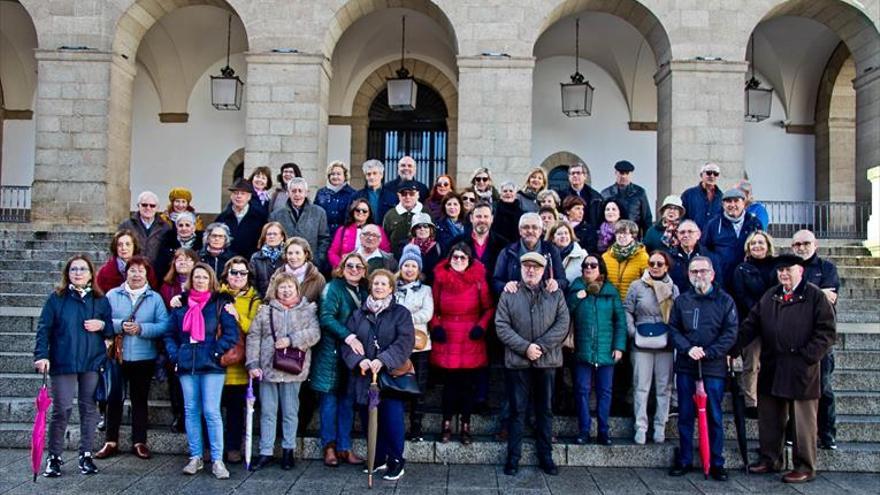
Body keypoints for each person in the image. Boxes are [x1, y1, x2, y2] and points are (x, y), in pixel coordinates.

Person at [737, 255, 836, 484]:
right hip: (773, 364)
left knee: (803, 423)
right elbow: (751, 324)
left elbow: (827, 332)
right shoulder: (770, 295)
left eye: (788, 270)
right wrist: (732, 347)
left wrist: (808, 356)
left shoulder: (814, 296)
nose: (783, 274)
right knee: (769, 417)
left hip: (802, 367)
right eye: (780, 271)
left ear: (800, 270)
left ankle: (805, 466)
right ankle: (770, 459)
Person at [35, 255, 114, 478]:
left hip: (91, 361)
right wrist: (41, 355)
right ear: (67, 274)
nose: (78, 273)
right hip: (64, 361)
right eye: (73, 270)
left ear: (91, 274)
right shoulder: (57, 299)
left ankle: (86, 454)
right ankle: (54, 457)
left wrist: (102, 325)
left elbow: (110, 329)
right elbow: (44, 329)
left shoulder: (100, 299)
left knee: (89, 409)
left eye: (83, 269)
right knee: (62, 409)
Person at [495, 252, 570, 476]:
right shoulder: (510, 293)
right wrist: (525, 347)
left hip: (547, 362)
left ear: (543, 270)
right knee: (517, 411)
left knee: (545, 410)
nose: (531, 270)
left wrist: (541, 347)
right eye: (526, 266)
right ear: (520, 268)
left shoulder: (554, 293)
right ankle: (513, 458)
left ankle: (546, 456)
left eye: (536, 268)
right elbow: (501, 325)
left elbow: (563, 323)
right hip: (518, 362)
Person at [164, 262, 239, 479]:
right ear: (190, 279)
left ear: (211, 280)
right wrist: (175, 354)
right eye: (196, 277)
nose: (200, 280)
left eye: (204, 277)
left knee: (211, 411)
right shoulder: (181, 304)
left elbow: (230, 334)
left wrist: (216, 352)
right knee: (191, 409)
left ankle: (217, 459)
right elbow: (169, 334)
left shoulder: (220, 302)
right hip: (187, 363)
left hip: (212, 365)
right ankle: (195, 456)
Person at [667, 256, 738, 481]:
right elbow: (673, 329)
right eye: (694, 271)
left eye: (703, 271)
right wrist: (688, 349)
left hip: (713, 367)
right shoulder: (682, 301)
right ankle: (685, 459)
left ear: (712, 274)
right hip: (687, 366)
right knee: (686, 415)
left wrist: (709, 352)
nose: (699, 275)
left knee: (714, 416)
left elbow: (730, 333)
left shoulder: (725, 301)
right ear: (689, 275)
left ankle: (716, 462)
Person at [341, 269, 415, 481]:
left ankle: (396, 459)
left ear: (391, 288)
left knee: (391, 419)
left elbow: (405, 342)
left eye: (384, 284)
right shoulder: (358, 314)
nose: (379, 287)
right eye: (376, 284)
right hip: (365, 377)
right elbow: (348, 345)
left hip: (389, 377)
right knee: (368, 418)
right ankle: (378, 456)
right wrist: (359, 361)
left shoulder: (400, 313)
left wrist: (383, 360)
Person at [97, 255, 170, 461]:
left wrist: (142, 329)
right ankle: (110, 441)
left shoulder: (154, 298)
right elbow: (103, 320)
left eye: (140, 271)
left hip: (144, 356)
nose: (136, 274)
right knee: (114, 398)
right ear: (126, 273)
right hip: (117, 357)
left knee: (140, 399)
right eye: (132, 270)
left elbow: (164, 325)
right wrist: (120, 325)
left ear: (147, 274)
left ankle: (139, 441)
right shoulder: (112, 294)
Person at [246, 272, 320, 471]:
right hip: (268, 368)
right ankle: (265, 452)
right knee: (268, 412)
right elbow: (254, 337)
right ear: (276, 290)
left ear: (297, 289)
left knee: (290, 411)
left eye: (290, 287)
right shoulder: (265, 310)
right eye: (282, 287)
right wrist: (253, 364)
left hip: (293, 368)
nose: (286, 290)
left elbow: (314, 334)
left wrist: (292, 340)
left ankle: (289, 450)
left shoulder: (307, 310)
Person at [430, 243, 494, 445]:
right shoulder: (441, 279)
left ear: (469, 260)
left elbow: (489, 308)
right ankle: (446, 424)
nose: (458, 261)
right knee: (449, 385)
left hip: (470, 336)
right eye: (455, 257)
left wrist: (481, 327)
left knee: (468, 386)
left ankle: (466, 425)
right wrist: (436, 326)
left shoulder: (478, 280)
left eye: (463, 258)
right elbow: (432, 306)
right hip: (448, 335)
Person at [312, 253, 369, 467]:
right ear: (342, 268)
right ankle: (329, 447)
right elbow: (326, 317)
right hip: (332, 353)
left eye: (359, 266)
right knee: (329, 402)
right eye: (350, 266)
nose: (354, 269)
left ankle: (345, 447)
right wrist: (349, 335)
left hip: (353, 356)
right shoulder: (333, 288)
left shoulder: (363, 291)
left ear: (364, 270)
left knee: (347, 402)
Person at [567, 254, 627, 445]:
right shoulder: (576, 288)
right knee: (582, 390)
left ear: (600, 268)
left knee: (605, 391)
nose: (589, 268)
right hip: (582, 349)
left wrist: (619, 346)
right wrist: (577, 297)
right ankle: (583, 430)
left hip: (606, 350)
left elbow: (620, 321)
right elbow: (564, 312)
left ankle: (603, 430)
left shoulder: (611, 292)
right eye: (586, 265)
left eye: (593, 265)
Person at [791, 229, 840, 450]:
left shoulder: (826, 268)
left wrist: (801, 295)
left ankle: (827, 434)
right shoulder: (789, 267)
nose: (801, 248)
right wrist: (816, 294)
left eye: (805, 243)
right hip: (794, 338)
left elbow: (830, 297)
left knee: (824, 388)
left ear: (815, 244)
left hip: (820, 340)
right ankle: (793, 433)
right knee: (794, 388)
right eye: (797, 244)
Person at [624, 250, 680, 445]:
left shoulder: (673, 288)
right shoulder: (637, 286)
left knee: (664, 388)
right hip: (641, 342)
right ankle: (640, 427)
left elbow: (677, 314)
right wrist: (632, 331)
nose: (655, 267)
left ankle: (660, 426)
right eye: (652, 263)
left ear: (666, 266)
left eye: (659, 264)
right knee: (641, 386)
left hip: (665, 343)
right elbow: (627, 310)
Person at [219, 256, 262, 465]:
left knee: (236, 411)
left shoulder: (254, 299)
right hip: (217, 361)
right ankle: (213, 447)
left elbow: (254, 328)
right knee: (214, 409)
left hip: (239, 363)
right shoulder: (216, 295)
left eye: (242, 273)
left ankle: (234, 448)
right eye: (233, 272)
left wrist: (237, 315)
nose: (237, 277)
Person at [731, 230, 778, 417]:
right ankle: (751, 402)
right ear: (748, 248)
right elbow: (740, 295)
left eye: (761, 242)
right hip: (751, 322)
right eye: (753, 244)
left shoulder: (777, 267)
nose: (757, 246)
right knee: (751, 364)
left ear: (768, 246)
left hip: (775, 322)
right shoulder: (741, 269)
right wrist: (759, 314)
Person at [394, 246, 435, 442]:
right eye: (406, 265)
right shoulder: (393, 289)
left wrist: (403, 316)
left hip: (420, 346)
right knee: (398, 385)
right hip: (398, 345)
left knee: (419, 387)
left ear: (419, 269)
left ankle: (416, 426)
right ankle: (397, 425)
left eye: (413, 266)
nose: (409, 269)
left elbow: (427, 314)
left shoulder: (426, 290)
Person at [158, 248, 199, 432]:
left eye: (187, 259)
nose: (183, 262)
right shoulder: (167, 286)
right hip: (175, 336)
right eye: (178, 259)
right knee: (175, 378)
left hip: (196, 338)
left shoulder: (200, 283)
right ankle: (178, 414)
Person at [701, 188, 762, 289]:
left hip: (748, 279)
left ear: (744, 203)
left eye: (736, 201)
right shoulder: (713, 224)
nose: (732, 205)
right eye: (728, 201)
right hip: (722, 280)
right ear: (723, 204)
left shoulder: (754, 223)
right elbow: (705, 248)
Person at [493, 213, 568, 295]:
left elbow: (563, 281)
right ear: (520, 231)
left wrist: (556, 284)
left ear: (540, 231)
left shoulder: (551, 250)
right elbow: (496, 282)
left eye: (534, 227)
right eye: (526, 227)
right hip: (516, 302)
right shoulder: (507, 252)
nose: (530, 231)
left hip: (544, 302)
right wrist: (505, 286)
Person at [269, 177, 331, 270]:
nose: (297, 194)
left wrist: (318, 259)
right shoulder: (276, 215)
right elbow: (272, 240)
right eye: (293, 191)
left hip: (312, 265)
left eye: (300, 191)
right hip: (285, 266)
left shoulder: (319, 212)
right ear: (288, 193)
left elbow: (324, 239)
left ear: (306, 193)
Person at [447, 201, 506, 286]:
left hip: (494, 295)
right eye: (478, 216)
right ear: (471, 218)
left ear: (492, 219)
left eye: (486, 217)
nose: (482, 220)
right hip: (465, 293)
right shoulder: (456, 243)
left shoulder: (502, 244)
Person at [327, 199, 392, 269]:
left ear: (369, 213)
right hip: (347, 271)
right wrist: (342, 266)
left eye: (364, 211)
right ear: (353, 211)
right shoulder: (342, 230)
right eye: (358, 210)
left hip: (372, 270)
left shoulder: (378, 230)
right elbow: (332, 252)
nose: (361, 212)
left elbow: (385, 251)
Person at [215, 178, 268, 259]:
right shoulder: (222, 218)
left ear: (249, 197)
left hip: (251, 260)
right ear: (231, 196)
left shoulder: (260, 217)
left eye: (243, 193)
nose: (239, 196)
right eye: (235, 193)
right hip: (227, 260)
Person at [119, 191, 172, 269]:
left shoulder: (165, 227)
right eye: (144, 205)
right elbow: (117, 247)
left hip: (155, 272)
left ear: (157, 208)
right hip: (132, 270)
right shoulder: (126, 225)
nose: (148, 208)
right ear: (138, 206)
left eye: (152, 206)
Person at [602, 219, 649, 302]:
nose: (621, 236)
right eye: (619, 233)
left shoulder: (643, 257)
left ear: (633, 236)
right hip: (610, 303)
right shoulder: (606, 257)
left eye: (625, 233)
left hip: (632, 304)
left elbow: (647, 284)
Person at [601, 160, 653, 234]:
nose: (624, 176)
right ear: (616, 173)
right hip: (610, 236)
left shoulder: (639, 192)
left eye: (627, 173)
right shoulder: (606, 193)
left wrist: (646, 240)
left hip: (633, 235)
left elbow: (646, 218)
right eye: (621, 173)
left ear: (631, 174)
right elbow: (600, 218)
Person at [668, 220, 717, 294]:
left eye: (690, 232)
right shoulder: (669, 257)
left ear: (698, 235)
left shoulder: (710, 257)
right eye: (682, 232)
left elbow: (717, 285)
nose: (686, 235)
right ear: (677, 235)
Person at [274, 237, 326, 305]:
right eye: (290, 253)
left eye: (297, 253)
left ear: (306, 254)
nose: (293, 257)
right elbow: (270, 299)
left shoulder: (318, 278)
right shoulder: (278, 274)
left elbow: (323, 306)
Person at [314, 160, 358, 239]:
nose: (335, 176)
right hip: (325, 236)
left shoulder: (353, 194)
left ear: (345, 176)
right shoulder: (321, 193)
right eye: (332, 174)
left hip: (345, 236)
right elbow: (315, 214)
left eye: (338, 174)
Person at [383, 180, 425, 258]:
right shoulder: (390, 215)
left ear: (418, 195)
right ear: (399, 195)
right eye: (404, 194)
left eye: (412, 194)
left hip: (422, 259)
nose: (407, 197)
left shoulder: (426, 213)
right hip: (396, 260)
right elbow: (385, 239)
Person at [155, 212, 203, 280]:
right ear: (176, 227)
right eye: (180, 225)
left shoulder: (202, 243)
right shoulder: (168, 242)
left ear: (194, 227)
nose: (184, 228)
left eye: (187, 225)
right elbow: (160, 266)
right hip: (172, 281)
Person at [556, 162, 604, 227]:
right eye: (572, 173)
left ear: (585, 176)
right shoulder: (560, 196)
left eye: (578, 173)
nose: (575, 175)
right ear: (569, 177)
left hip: (590, 232)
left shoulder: (596, 197)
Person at [681, 162, 723, 231]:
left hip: (713, 239)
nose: (712, 176)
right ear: (701, 175)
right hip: (693, 238)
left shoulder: (722, 198)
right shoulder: (688, 195)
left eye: (715, 174)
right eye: (708, 172)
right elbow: (681, 217)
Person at [250, 221, 288, 298]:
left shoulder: (288, 256)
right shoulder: (256, 258)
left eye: (275, 234)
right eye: (269, 234)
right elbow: (252, 283)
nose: (271, 236)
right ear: (264, 237)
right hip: (263, 300)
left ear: (282, 237)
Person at [353, 159, 395, 223]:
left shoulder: (391, 196)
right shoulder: (356, 196)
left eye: (375, 173)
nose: (371, 177)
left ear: (381, 175)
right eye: (368, 174)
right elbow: (349, 218)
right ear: (365, 176)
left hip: (384, 232)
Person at [406, 213, 442, 285]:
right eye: (419, 227)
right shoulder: (406, 247)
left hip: (433, 285)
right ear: (414, 230)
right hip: (411, 284)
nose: (422, 229)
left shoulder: (438, 246)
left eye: (425, 226)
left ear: (430, 229)